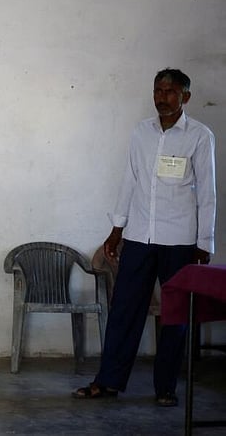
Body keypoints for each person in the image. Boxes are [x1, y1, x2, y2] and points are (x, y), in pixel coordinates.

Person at [73, 68, 215, 407]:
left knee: (174, 314)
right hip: (139, 236)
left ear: (186, 97)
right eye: (158, 90)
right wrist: (117, 229)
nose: (162, 97)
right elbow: (130, 181)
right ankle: (108, 381)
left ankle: (165, 387)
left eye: (170, 91)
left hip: (180, 240)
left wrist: (204, 244)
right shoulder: (141, 133)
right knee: (124, 309)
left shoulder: (199, 136)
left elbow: (208, 192)